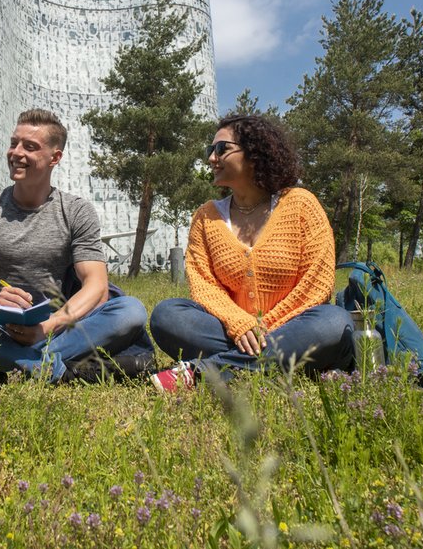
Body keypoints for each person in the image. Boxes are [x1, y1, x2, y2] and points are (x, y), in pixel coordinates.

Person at [0, 109, 154, 383]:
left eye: (29, 147)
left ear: (54, 158)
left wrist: (48, 327)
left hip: (55, 327)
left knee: (130, 310)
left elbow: (96, 286)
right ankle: (57, 371)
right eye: (13, 143)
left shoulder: (77, 211)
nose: (16, 153)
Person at [148, 114, 354, 391]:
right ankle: (278, 363)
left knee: (333, 321)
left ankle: (205, 373)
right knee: (167, 315)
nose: (212, 158)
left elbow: (316, 286)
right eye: (210, 151)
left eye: (221, 149)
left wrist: (262, 329)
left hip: (297, 325)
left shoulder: (301, 205)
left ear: (256, 153)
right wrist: (240, 324)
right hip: (236, 331)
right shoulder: (206, 217)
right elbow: (204, 285)